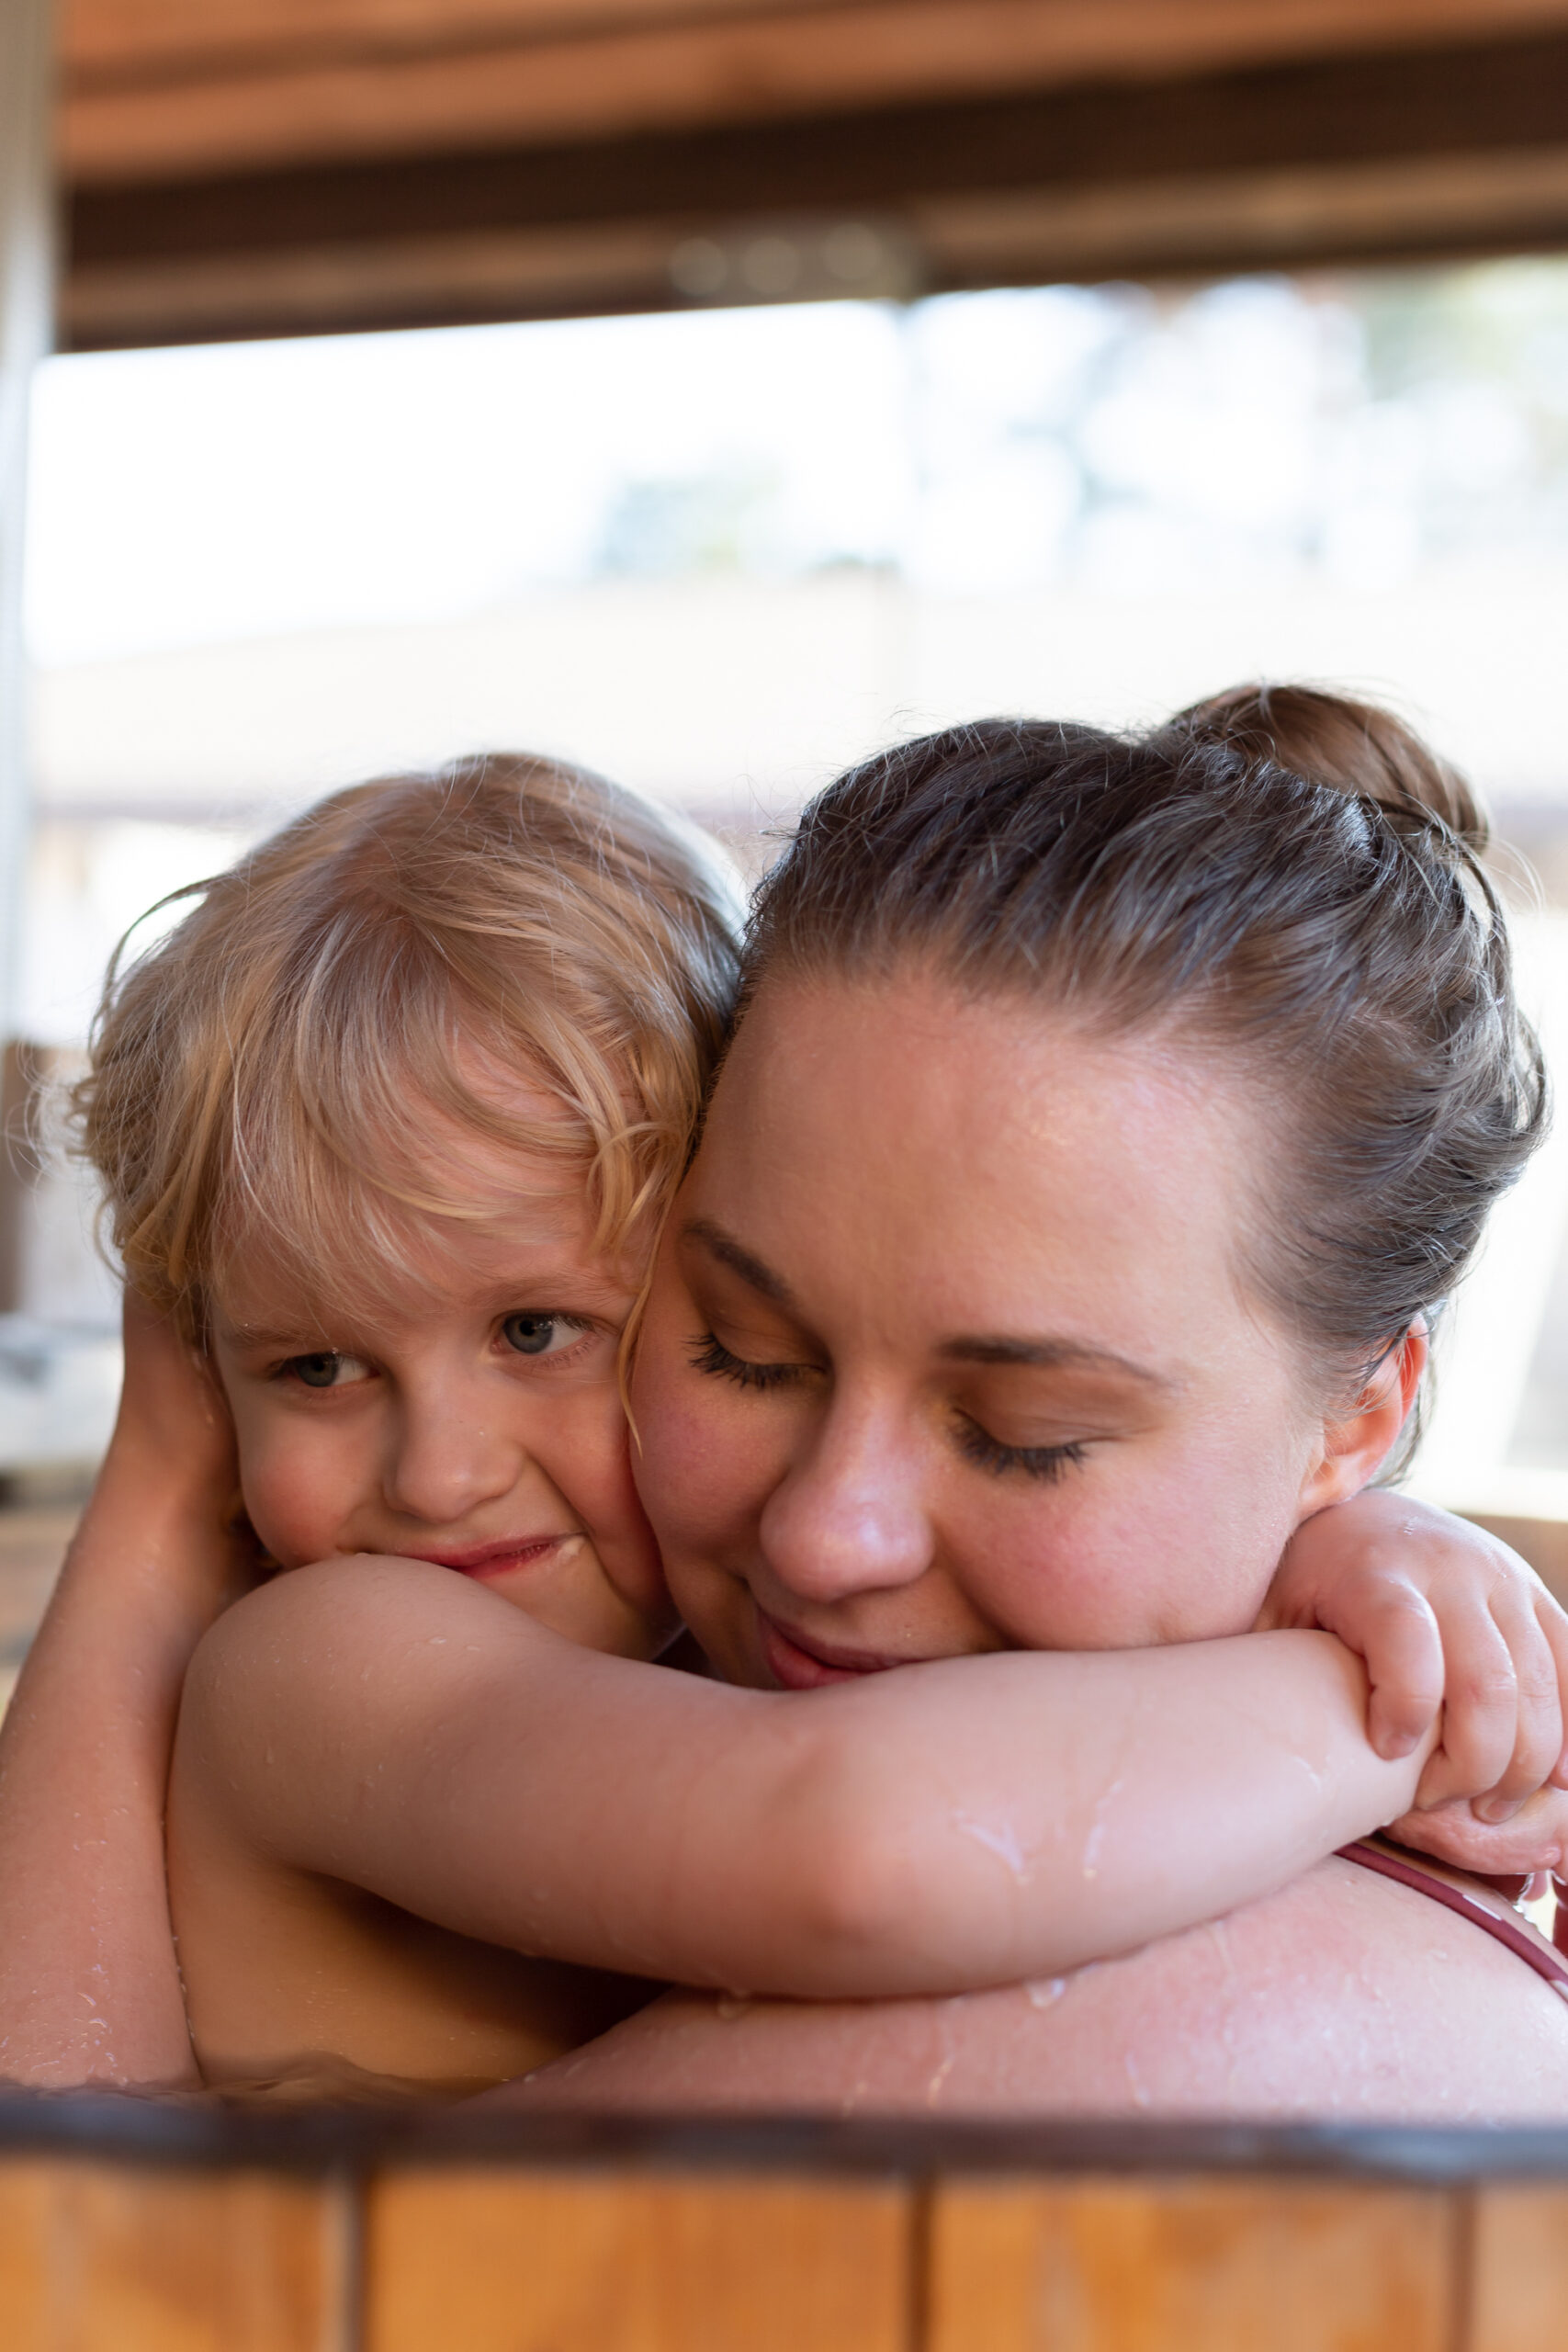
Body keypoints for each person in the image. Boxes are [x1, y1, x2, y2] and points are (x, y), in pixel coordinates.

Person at [3, 704, 1565, 2110]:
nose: (440, 1471)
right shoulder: (331, 1658)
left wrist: (1357, 1560)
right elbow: (852, 1848)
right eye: (755, 1354)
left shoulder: (733, 1655)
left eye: (542, 1329)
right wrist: (1398, 1716)